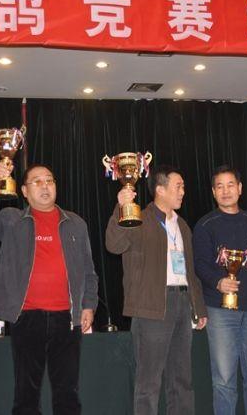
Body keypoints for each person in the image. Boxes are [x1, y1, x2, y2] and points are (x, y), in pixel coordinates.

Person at [0, 162, 98, 415]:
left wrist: (89, 305)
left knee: (67, 393)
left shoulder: (76, 223)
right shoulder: (12, 220)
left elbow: (89, 270)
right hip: (26, 316)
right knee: (26, 395)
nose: (45, 186)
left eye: (50, 180)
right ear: (24, 191)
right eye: (37, 181)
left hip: (67, 318)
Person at [106, 164, 208, 415]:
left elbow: (189, 270)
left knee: (182, 379)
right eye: (178, 186)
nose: (183, 191)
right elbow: (114, 244)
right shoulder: (138, 217)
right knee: (149, 382)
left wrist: (198, 306)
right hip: (151, 306)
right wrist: (121, 207)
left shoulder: (182, 225)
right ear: (160, 190)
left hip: (183, 303)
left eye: (183, 186)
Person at [193, 165, 247, 415]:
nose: (225, 191)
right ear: (213, 192)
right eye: (220, 186)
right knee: (224, 379)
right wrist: (218, 282)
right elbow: (199, 265)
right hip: (219, 311)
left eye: (230, 185)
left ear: (240, 188)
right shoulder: (205, 225)